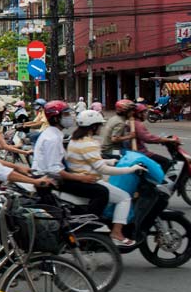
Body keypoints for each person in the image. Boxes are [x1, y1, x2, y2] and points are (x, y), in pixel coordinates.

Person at [67, 110, 145, 246]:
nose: (101, 128)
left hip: (81, 176)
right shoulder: (88, 143)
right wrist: (131, 169)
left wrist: (110, 161)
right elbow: (102, 169)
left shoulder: (76, 140)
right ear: (93, 126)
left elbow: (89, 161)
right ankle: (117, 233)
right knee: (124, 197)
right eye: (99, 125)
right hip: (89, 180)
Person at [33, 100, 110, 214]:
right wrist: (81, 178)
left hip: (52, 176)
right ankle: (89, 223)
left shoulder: (55, 134)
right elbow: (55, 170)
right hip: (50, 180)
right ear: (55, 118)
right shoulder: (52, 139)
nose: (70, 117)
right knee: (102, 192)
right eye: (66, 115)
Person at [132, 103, 179, 169]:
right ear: (139, 114)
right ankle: (161, 179)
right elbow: (148, 138)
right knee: (166, 162)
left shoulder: (133, 122)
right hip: (141, 153)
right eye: (144, 112)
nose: (146, 114)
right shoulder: (137, 124)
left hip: (137, 152)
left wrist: (161, 139)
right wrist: (168, 140)